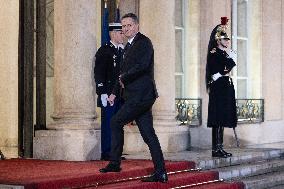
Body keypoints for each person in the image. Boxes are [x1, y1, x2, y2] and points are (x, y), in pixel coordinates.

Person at [99, 13, 168, 183]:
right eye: (123, 26)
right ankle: (161, 172)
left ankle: (115, 163)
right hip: (136, 97)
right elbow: (121, 73)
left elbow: (142, 66)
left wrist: (123, 79)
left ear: (136, 26)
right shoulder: (128, 45)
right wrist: (115, 92)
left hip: (141, 96)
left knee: (115, 122)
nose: (126, 29)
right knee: (148, 134)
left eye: (129, 25)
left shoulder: (144, 42)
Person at [206, 17, 237, 158]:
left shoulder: (223, 53)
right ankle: (215, 149)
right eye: (225, 39)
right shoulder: (214, 53)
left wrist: (229, 60)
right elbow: (225, 69)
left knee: (223, 118)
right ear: (218, 40)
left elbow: (227, 69)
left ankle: (220, 147)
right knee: (217, 119)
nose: (227, 41)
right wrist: (230, 61)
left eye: (227, 39)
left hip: (224, 87)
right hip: (218, 87)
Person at [94, 23, 124, 161]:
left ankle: (116, 152)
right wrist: (102, 92)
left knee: (118, 124)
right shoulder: (105, 50)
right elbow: (99, 73)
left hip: (119, 95)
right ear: (112, 33)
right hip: (108, 94)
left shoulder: (122, 51)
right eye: (120, 32)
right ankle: (107, 151)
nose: (122, 35)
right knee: (108, 123)